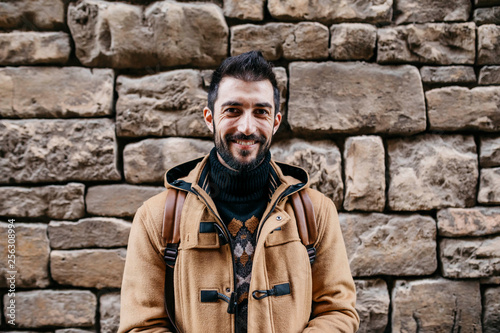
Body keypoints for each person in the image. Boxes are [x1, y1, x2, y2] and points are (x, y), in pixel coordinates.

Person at [118, 51, 359, 333]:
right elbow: (141, 326)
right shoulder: (156, 217)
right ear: (210, 118)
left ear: (275, 122)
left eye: (260, 112)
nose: (247, 127)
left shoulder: (316, 212)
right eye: (233, 110)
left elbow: (338, 311)